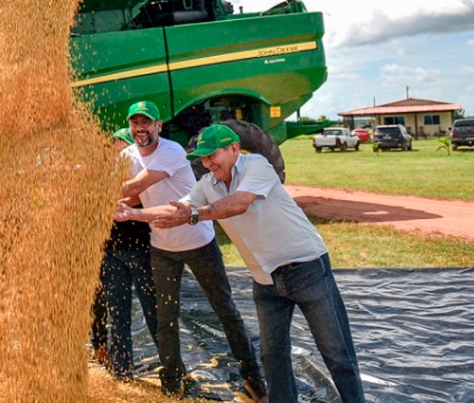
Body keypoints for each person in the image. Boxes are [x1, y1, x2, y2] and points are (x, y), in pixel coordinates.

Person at [122, 123, 365, 402]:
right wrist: (133, 214)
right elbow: (180, 206)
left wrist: (194, 215)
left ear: (234, 149)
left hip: (306, 269)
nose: (207, 163)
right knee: (272, 356)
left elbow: (238, 203)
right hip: (265, 280)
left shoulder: (256, 165)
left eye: (212, 155)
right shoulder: (208, 184)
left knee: (336, 352)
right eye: (203, 158)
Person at [117, 101, 267, 401]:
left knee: (225, 310)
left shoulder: (171, 151)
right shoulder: (127, 155)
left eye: (146, 122)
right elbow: (133, 198)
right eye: (135, 123)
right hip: (162, 248)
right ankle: (172, 382)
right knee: (165, 318)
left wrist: (91, 189)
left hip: (199, 244)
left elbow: (133, 186)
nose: (140, 128)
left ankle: (253, 378)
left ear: (159, 125)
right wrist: (121, 208)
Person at [101, 127, 158, 380]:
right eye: (114, 143)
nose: (117, 148)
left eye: (121, 143)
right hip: (111, 252)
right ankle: (121, 369)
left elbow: (133, 199)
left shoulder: (140, 173)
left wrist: (102, 198)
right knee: (117, 312)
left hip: (140, 250)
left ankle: (172, 370)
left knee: (153, 310)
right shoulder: (107, 173)